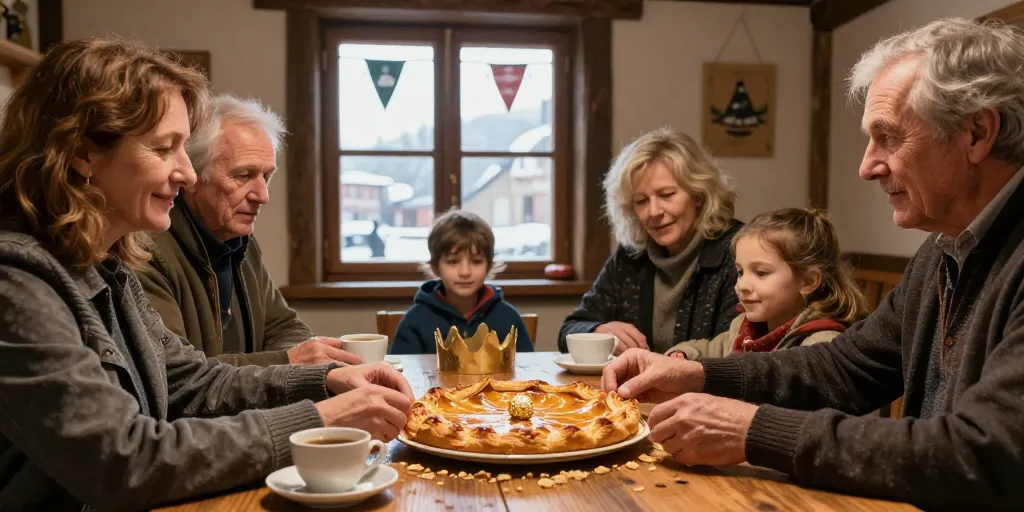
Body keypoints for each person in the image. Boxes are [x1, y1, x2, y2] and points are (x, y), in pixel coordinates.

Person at [602, 18, 1024, 510]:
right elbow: (845, 368)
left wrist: (754, 430)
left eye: (887, 137)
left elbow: (984, 455)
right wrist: (699, 374)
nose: (867, 166)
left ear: (976, 133)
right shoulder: (944, 250)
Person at [0, 36, 413, 511]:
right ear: (82, 152)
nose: (188, 172)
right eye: (165, 148)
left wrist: (324, 382)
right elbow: (122, 461)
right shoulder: (18, 278)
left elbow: (192, 383)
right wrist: (316, 419)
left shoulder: (105, 262)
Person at [137, 95, 361, 367]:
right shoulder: (146, 252)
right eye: (243, 175)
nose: (262, 196)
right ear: (193, 177)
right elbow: (179, 375)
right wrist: (288, 361)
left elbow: (285, 327)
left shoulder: (241, 242)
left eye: (266, 177)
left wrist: (293, 359)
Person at [559, 129, 742, 355]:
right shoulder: (632, 255)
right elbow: (568, 331)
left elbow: (739, 350)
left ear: (698, 195)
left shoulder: (737, 251)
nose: (653, 212)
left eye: (666, 195)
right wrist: (599, 330)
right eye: (641, 201)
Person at [665, 208, 867, 360]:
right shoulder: (744, 328)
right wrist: (683, 355)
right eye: (740, 272)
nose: (742, 285)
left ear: (807, 282)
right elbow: (711, 349)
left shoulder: (820, 345)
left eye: (761, 273)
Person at [389, 209, 534, 354]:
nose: (465, 272)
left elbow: (527, 369)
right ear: (435, 267)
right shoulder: (415, 320)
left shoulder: (508, 317)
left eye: (476, 262)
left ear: (489, 266)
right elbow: (399, 373)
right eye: (453, 262)